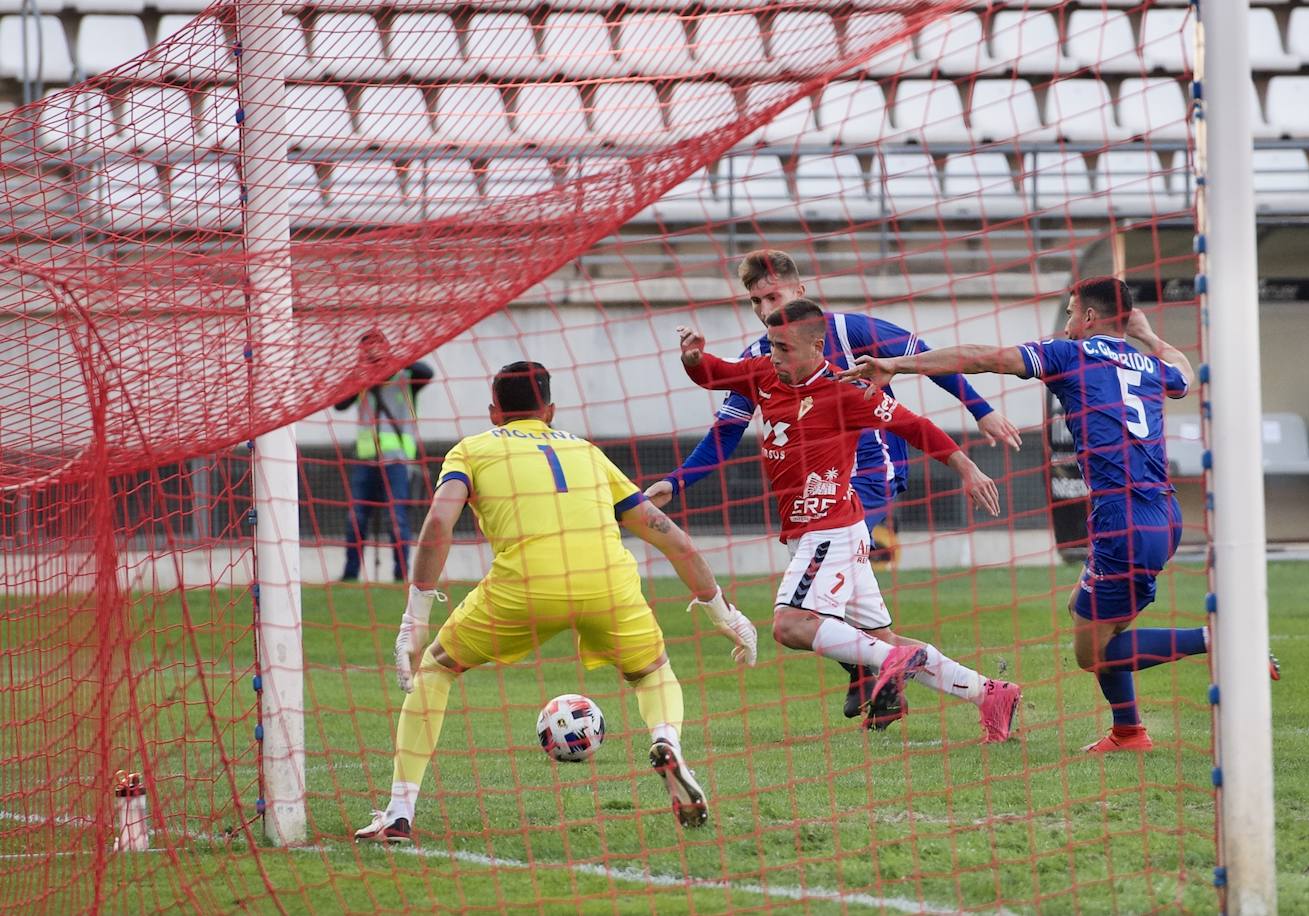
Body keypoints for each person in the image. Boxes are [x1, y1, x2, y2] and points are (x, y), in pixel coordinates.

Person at [841, 276, 1266, 753]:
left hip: (1120, 520)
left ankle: (1223, 641)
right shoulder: (1149, 363)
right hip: (1163, 514)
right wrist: (1147, 335)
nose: (1066, 323)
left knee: (1096, 653)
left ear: (1088, 317)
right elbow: (1185, 374)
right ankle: (1129, 732)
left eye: (1069, 312)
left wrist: (898, 362)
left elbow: (984, 356)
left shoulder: (1072, 355)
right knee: (1086, 613)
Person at [354, 361, 757, 842]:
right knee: (652, 673)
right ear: (550, 410)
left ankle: (399, 813)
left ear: (493, 412)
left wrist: (415, 616)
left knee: (437, 671)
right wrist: (724, 613)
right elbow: (671, 537)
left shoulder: (472, 449)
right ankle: (665, 740)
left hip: (524, 587)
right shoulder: (587, 451)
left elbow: (439, 524)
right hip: (607, 584)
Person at [645, 250, 1022, 726]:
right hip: (822, 525)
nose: (767, 331)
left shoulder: (849, 379)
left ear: (815, 340)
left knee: (790, 623)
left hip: (841, 515)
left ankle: (878, 669)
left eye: (773, 303)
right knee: (880, 641)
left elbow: (915, 420)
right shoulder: (763, 367)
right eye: (755, 304)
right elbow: (714, 377)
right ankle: (988, 693)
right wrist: (693, 358)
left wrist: (969, 454)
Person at [334, 330, 434, 582]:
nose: (373, 352)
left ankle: (402, 575)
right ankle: (350, 575)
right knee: (356, 518)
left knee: (396, 518)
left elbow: (426, 372)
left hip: (397, 459)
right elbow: (339, 403)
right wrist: (361, 373)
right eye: (368, 348)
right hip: (366, 460)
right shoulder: (360, 379)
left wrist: (393, 362)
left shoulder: (406, 376)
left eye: (378, 347)